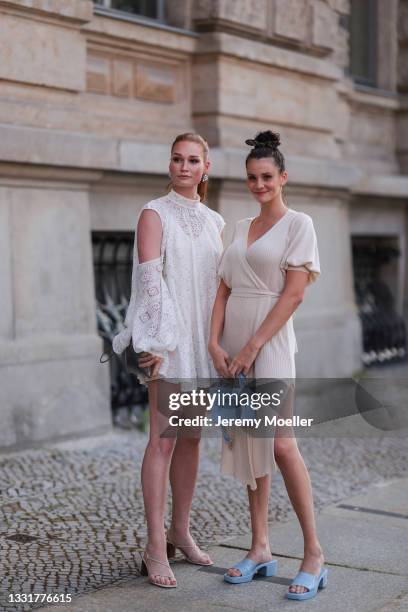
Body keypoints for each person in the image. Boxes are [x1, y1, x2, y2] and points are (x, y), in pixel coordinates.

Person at [209, 130, 327, 600]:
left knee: (280, 445)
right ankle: (259, 547)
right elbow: (221, 288)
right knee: (249, 447)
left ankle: (314, 555)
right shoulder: (238, 228)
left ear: (283, 178)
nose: (258, 185)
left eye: (266, 177)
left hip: (270, 344)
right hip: (233, 344)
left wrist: (252, 346)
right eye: (252, 178)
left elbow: (294, 293)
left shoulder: (300, 224)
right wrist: (214, 342)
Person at [112, 133, 225, 588]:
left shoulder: (216, 220)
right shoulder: (153, 213)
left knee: (193, 439)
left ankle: (181, 528)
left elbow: (222, 287)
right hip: (171, 343)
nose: (183, 166)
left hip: (203, 342)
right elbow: (150, 279)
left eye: (192, 160)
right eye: (177, 159)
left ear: (206, 167)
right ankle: (154, 544)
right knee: (162, 441)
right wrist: (154, 343)